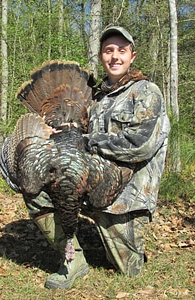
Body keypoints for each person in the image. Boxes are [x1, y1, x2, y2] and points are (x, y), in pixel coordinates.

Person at [32, 25, 171, 289]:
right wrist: (54, 132)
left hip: (126, 199)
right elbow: (74, 136)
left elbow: (139, 145)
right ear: (100, 56)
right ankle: (73, 259)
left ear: (133, 56)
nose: (115, 56)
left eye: (122, 50)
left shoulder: (146, 92)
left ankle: (120, 239)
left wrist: (85, 141)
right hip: (90, 185)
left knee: (127, 271)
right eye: (109, 50)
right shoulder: (94, 98)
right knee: (36, 185)